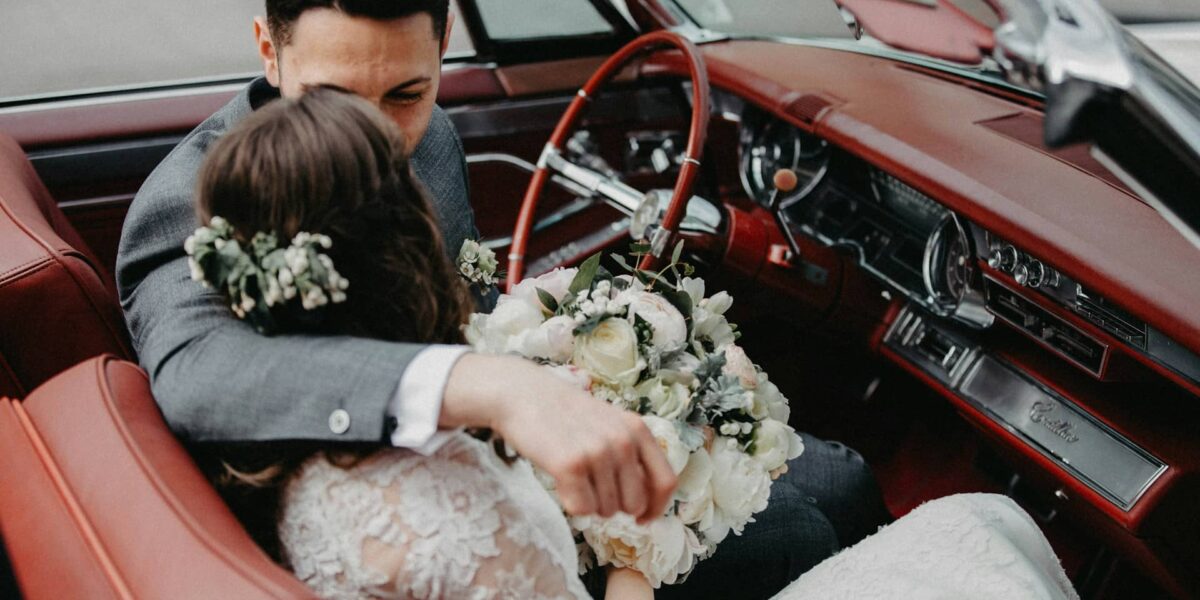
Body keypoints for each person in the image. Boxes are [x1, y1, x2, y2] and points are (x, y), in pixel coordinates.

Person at [115, 1, 889, 597]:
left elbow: (470, 311)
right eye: (335, 96)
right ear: (268, 49)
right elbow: (201, 373)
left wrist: (601, 358)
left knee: (840, 475)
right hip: (432, 511)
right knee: (805, 528)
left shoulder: (434, 140)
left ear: (442, 44)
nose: (382, 138)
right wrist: (492, 387)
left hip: (504, 456)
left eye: (406, 92)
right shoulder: (189, 202)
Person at [190, 89, 1082, 600]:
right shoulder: (456, 519)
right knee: (977, 527)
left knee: (840, 480)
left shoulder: (297, 431)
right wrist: (638, 552)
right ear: (403, 250)